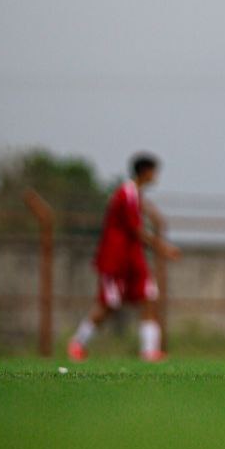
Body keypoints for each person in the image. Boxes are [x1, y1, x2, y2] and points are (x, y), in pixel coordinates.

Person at [67, 154, 180, 362]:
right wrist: (162, 247)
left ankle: (149, 351)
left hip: (133, 258)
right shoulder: (126, 193)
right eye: (154, 171)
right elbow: (135, 230)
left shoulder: (135, 194)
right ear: (145, 171)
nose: (156, 176)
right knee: (109, 304)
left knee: (148, 297)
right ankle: (77, 343)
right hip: (116, 259)